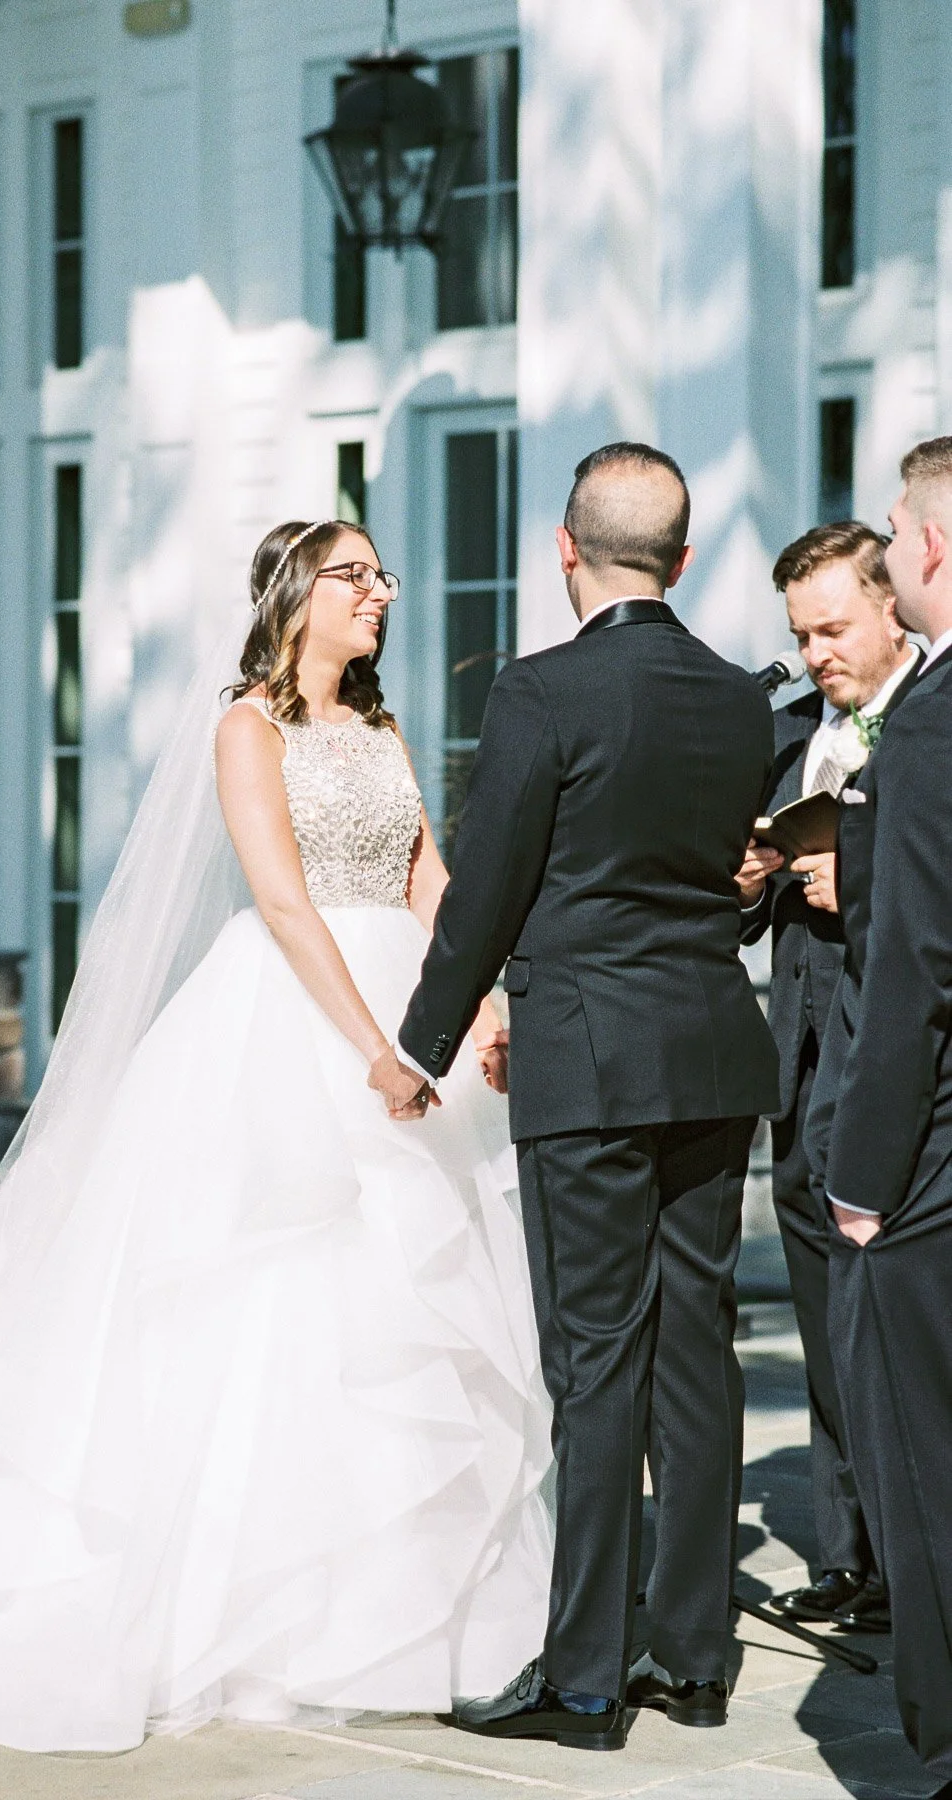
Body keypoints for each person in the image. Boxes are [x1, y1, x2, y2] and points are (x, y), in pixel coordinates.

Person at [0, 521, 553, 1754]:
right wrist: (372, 1049)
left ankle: (420, 1614)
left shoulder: (381, 732)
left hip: (412, 1006)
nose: (382, 592)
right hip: (301, 1019)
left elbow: (428, 878)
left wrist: (478, 997)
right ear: (297, 596)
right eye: (357, 576)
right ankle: (259, 1611)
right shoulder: (248, 728)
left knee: (416, 1306)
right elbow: (283, 898)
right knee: (278, 1301)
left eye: (384, 574)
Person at [379, 443, 780, 1749]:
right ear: (685, 551)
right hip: (712, 1051)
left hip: (591, 1066)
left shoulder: (540, 690)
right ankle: (695, 1656)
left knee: (595, 1365)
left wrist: (421, 1039)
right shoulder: (734, 698)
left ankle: (589, 1678)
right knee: (694, 1351)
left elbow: (489, 879)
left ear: (565, 549)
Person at [737, 523, 918, 1633]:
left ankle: (918, 1564)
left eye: (833, 628)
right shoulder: (791, 735)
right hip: (803, 1069)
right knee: (823, 1319)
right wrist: (752, 878)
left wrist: (860, 888)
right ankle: (851, 1558)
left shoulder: (932, 728)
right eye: (800, 635)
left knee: (901, 1321)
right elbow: (747, 909)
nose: (814, 655)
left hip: (899, 1065)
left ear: (893, 604)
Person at [805, 439, 952, 1791]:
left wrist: (860, 1175)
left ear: (931, 547)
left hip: (937, 1163)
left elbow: (909, 968)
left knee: (926, 1463)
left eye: (902, 535)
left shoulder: (930, 723)